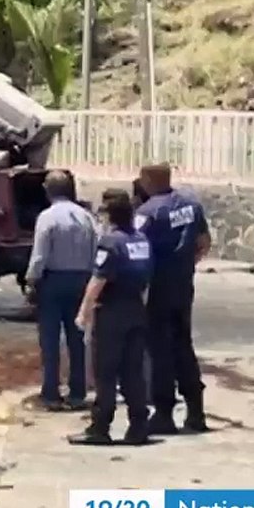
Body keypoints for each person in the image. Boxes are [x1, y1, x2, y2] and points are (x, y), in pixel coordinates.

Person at [69, 188, 153, 445]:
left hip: (112, 314)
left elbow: (98, 280)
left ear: (110, 215)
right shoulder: (141, 240)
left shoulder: (110, 242)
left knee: (105, 372)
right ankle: (139, 426)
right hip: (136, 310)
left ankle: (100, 427)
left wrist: (83, 313)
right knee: (132, 372)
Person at [134, 162, 212, 434]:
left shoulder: (148, 212)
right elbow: (204, 242)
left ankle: (164, 413)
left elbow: (136, 247)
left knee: (159, 351)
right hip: (183, 285)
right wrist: (187, 263)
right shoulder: (191, 205)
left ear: (147, 180)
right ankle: (196, 412)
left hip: (157, 287)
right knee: (183, 346)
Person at [25, 170, 98, 411]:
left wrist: (31, 280)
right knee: (77, 338)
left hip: (53, 281)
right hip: (82, 280)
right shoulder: (86, 217)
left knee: (50, 339)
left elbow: (40, 255)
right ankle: (77, 392)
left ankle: (51, 392)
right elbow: (96, 250)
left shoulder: (47, 217)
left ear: (48, 190)